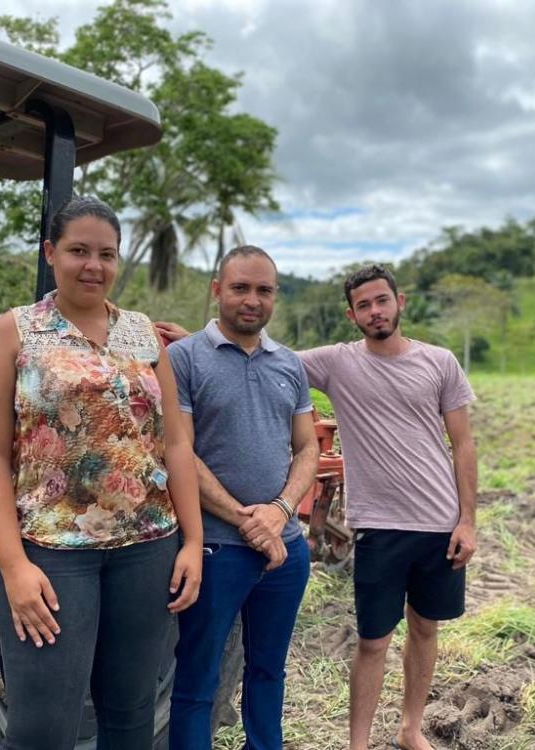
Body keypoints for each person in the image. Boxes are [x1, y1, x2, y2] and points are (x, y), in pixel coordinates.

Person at [0, 196, 203, 750]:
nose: (93, 265)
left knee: (129, 714)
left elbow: (174, 441)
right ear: (51, 253)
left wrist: (192, 542)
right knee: (42, 726)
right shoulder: (18, 331)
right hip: (52, 555)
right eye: (78, 250)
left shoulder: (142, 334)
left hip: (147, 551)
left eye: (106, 254)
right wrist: (13, 566)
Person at [298, 264, 478, 750]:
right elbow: (267, 358)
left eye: (382, 300)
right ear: (351, 314)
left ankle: (409, 729)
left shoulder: (439, 362)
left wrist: (467, 520)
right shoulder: (336, 363)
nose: (374, 311)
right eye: (363, 305)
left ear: (401, 302)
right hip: (379, 527)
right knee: (373, 640)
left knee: (425, 627)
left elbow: (462, 444)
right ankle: (358, 743)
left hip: (439, 524)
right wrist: (199, 340)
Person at [166, 245, 319, 750]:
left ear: (275, 297)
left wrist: (277, 514)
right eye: (240, 288)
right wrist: (244, 521)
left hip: (286, 551)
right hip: (215, 549)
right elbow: (180, 452)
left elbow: (306, 448)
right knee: (197, 683)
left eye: (264, 290)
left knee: (268, 672)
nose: (251, 300)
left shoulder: (290, 365)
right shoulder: (183, 359)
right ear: (217, 291)